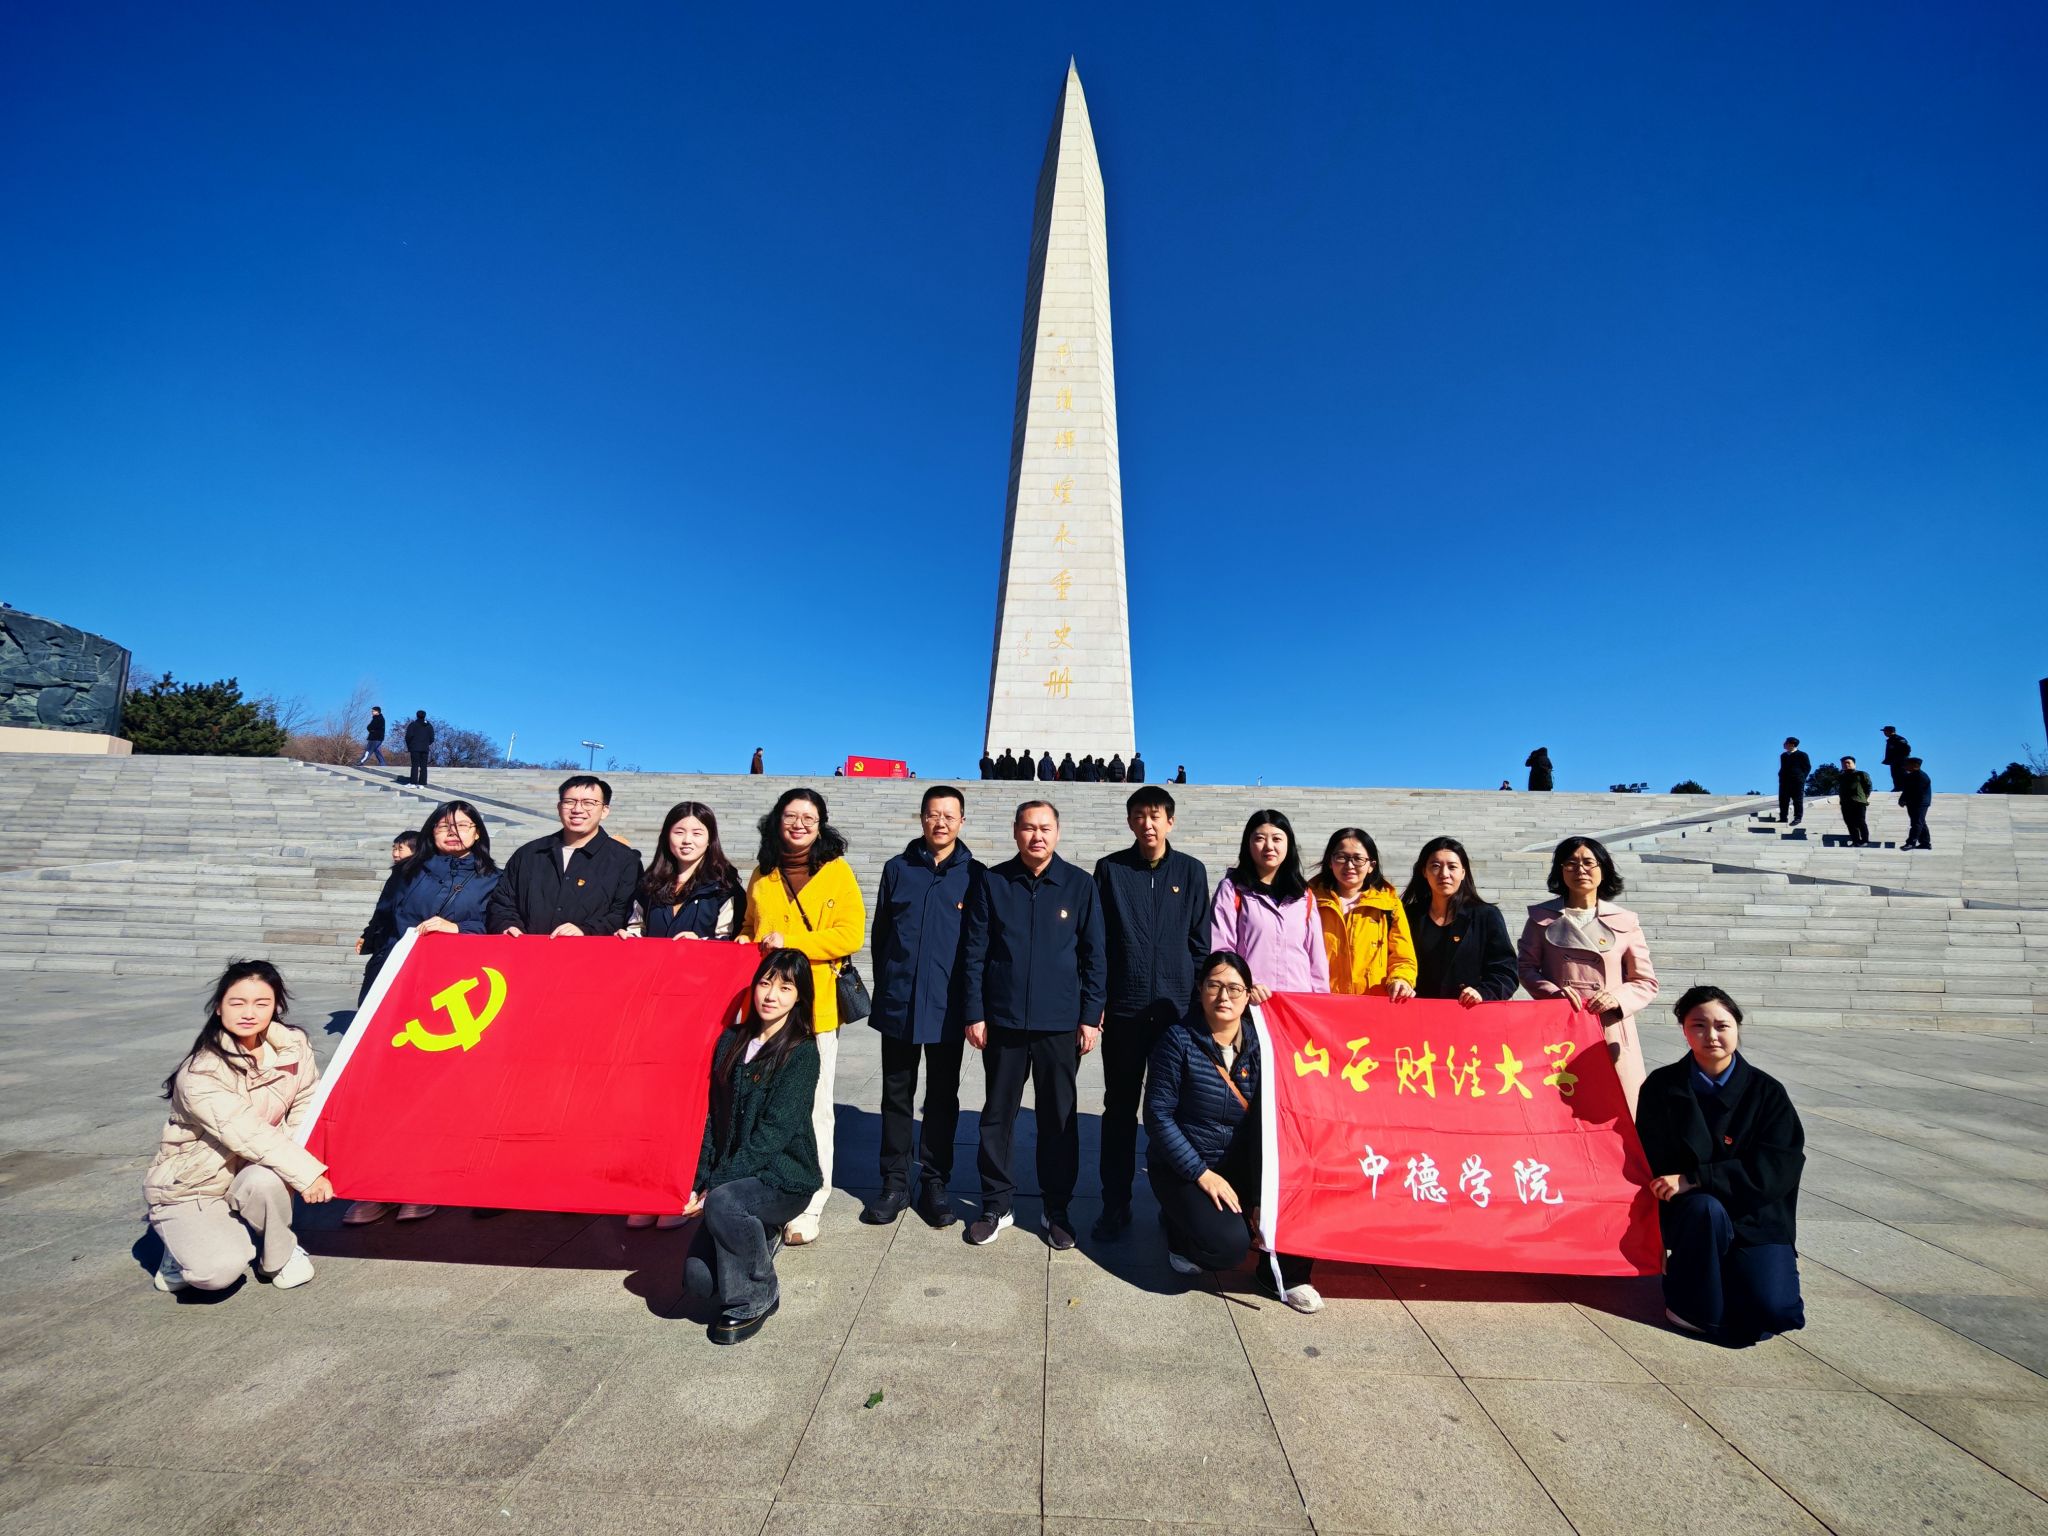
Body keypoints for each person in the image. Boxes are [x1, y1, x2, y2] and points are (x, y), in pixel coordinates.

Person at [344, 800, 502, 1226]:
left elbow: (499, 929)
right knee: (382, 1086)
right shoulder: (407, 872)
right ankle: (374, 1185)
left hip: (452, 992)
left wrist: (460, 929)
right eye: (444, 825)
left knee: (433, 1089)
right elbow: (383, 918)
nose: (453, 831)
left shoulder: (493, 878)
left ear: (478, 832)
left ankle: (420, 1183)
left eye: (463, 825)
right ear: (431, 830)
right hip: (395, 982)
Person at [961, 799, 1105, 1249]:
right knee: (997, 1116)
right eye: (1028, 827)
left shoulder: (1079, 884)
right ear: (1015, 831)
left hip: (1060, 1023)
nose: (1036, 836)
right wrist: (974, 1012)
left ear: (1057, 832)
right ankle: (996, 1203)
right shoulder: (993, 881)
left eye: (1045, 828)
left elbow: (1095, 956)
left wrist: (1090, 1017)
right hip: (1003, 1021)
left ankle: (1056, 1207)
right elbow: (974, 952)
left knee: (1057, 1118)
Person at [1145, 950, 1321, 1312]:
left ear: (1248, 994)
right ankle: (1180, 1233)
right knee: (1227, 1247)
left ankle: (1284, 1276)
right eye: (1214, 986)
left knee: (1303, 1190)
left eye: (1235, 988)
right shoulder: (1177, 1041)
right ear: (1200, 990)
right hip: (1187, 1167)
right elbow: (1158, 1116)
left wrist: (1259, 1191)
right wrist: (1201, 1174)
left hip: (1241, 1163)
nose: (1224, 996)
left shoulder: (1264, 1043)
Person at [146, 960, 332, 1294]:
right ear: (219, 1007)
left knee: (267, 1179)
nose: (249, 1013)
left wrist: (294, 1159)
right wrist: (306, 1173)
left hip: (251, 1168)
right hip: (195, 1183)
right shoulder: (201, 1072)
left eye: (261, 1003)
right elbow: (247, 1132)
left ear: (276, 1007)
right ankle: (179, 1245)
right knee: (215, 1274)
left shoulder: (292, 1046)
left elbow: (306, 1100)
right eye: (237, 1003)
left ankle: (280, 1253)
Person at [1635, 985, 1805, 1345]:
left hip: (1754, 1213)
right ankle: (1688, 1304)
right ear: (1684, 1030)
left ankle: (1740, 1271)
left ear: (1737, 1027)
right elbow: (1650, 1157)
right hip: (1694, 1214)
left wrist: (1698, 1177)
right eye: (1698, 1026)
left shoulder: (1767, 1092)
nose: (1711, 1036)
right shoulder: (1662, 1087)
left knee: (1773, 1311)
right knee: (1705, 1210)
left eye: (1722, 1026)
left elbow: (1778, 1166)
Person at [742, 787, 865, 1245]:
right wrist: (745, 942)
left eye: (808, 819)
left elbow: (850, 934)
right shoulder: (763, 873)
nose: (799, 825)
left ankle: (812, 1201)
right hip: (767, 1008)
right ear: (777, 820)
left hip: (815, 1009)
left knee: (815, 1107)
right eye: (791, 816)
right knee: (762, 1105)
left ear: (820, 825)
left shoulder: (836, 871)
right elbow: (749, 927)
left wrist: (792, 943)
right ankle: (765, 1192)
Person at [682, 949, 822, 1345]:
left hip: (783, 1178)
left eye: (785, 987)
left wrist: (715, 1188)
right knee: (698, 1281)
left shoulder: (801, 1052)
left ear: (799, 997)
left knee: (725, 1204)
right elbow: (712, 1119)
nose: (771, 995)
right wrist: (699, 1180)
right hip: (734, 1179)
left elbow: (772, 1136)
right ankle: (756, 1231)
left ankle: (759, 1295)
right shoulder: (731, 1040)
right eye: (765, 983)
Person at [1091, 786, 1211, 1240]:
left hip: (1176, 1015)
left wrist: (1198, 1005)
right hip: (1125, 1011)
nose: (1148, 823)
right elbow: (1099, 943)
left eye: (1156, 815)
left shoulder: (1191, 871)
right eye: (1139, 815)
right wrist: (1098, 1002)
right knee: (1119, 1110)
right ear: (1130, 822)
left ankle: (1174, 1207)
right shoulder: (1111, 870)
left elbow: (1200, 943)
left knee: (1175, 1113)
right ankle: (1115, 1204)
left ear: (1170, 821)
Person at [862, 785, 981, 1229]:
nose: (941, 822)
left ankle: (935, 1182)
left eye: (949, 815)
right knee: (895, 1095)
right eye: (933, 814)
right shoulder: (898, 868)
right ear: (922, 818)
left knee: (942, 1098)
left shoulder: (976, 875)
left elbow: (978, 945)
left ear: (962, 821)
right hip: (900, 1002)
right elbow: (881, 936)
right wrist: (889, 984)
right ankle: (894, 1182)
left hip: (948, 1006)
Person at [1517, 836, 1657, 1112]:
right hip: (1560, 1026)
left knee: (1615, 1112)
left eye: (1588, 862)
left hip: (1610, 1028)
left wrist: (1616, 998)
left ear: (1603, 869)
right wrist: (1553, 993)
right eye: (1570, 863)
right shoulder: (1540, 918)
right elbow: (1526, 968)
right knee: (1561, 1110)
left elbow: (1645, 981)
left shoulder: (1625, 921)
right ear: (1560, 871)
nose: (1580, 869)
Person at [486, 775, 643, 938]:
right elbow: (502, 902)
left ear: (604, 811)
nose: (577, 809)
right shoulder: (528, 854)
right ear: (559, 807)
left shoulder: (625, 861)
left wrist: (586, 931)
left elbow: (623, 913)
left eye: (588, 803)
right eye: (569, 802)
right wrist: (507, 925)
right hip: (528, 950)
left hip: (592, 952)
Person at [1210, 810, 1329, 1003]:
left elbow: (1317, 959)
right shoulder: (1233, 889)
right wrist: (1246, 985)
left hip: (1298, 1003)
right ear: (1248, 844)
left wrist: (1321, 1002)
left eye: (1277, 839)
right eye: (1259, 838)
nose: (1269, 846)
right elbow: (1222, 949)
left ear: (1288, 844)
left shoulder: (1304, 895)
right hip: (1252, 1002)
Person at [1401, 836, 1518, 1004]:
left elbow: (1506, 971)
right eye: (1435, 866)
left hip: (1469, 1011)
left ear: (1463, 872)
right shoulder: (1408, 915)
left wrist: (1484, 992)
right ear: (1424, 871)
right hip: (1418, 1010)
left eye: (1452, 867)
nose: (1444, 874)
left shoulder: (1486, 916)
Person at [1310, 828, 1417, 999]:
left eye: (1358, 859)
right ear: (1330, 861)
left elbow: (1403, 957)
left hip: (1371, 1003)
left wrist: (1401, 979)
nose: (1349, 865)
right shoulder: (1309, 901)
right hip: (1322, 1002)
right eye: (1341, 857)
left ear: (1371, 866)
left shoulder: (1389, 905)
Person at [623, 801, 746, 943]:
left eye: (697, 833)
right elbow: (636, 929)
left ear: (710, 839)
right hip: (655, 958)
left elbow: (732, 940)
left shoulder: (725, 886)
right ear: (667, 836)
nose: (687, 840)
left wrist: (700, 943)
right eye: (679, 832)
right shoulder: (649, 884)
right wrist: (627, 938)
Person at [353, 829, 421, 999]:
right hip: (387, 939)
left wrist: (370, 934)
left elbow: (386, 909)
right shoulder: (400, 872)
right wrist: (367, 935)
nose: (395, 853)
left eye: (400, 849)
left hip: (394, 940)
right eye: (394, 848)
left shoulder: (409, 875)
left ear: (415, 850)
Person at [1837, 756, 1873, 846]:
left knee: (1860, 821)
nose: (1846, 765)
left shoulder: (1861, 774)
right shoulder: (1841, 777)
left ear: (1854, 764)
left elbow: (1868, 786)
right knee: (1849, 823)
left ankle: (1865, 840)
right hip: (1845, 802)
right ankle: (1855, 841)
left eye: (1848, 762)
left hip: (1858, 802)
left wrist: (1864, 797)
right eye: (1844, 763)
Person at [1899, 758, 1934, 850]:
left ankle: (1911, 842)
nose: (1905, 766)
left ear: (1914, 766)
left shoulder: (1922, 777)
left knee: (1917, 823)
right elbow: (1906, 790)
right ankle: (1925, 843)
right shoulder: (1910, 776)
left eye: (1907, 764)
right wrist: (1902, 799)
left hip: (1920, 803)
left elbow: (1917, 791)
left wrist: (1907, 799)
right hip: (1912, 803)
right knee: (1920, 822)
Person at [1777, 738, 1812, 825]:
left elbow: (1807, 767)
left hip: (1797, 781)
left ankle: (1798, 817)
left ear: (1792, 744)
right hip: (1784, 781)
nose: (1784, 744)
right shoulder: (1783, 755)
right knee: (1783, 800)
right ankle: (1783, 818)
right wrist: (1780, 775)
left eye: (1786, 743)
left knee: (1797, 800)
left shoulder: (1802, 755)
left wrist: (1802, 778)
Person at [404, 710, 435, 786]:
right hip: (425, 748)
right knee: (424, 766)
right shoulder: (429, 726)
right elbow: (432, 738)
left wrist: (410, 745)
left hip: (415, 748)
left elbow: (408, 737)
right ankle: (422, 783)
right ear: (425, 716)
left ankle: (413, 783)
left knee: (415, 765)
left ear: (417, 715)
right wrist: (426, 744)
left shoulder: (413, 725)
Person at [1881, 726, 1911, 791]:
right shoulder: (1891, 739)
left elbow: (1907, 749)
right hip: (1894, 762)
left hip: (1901, 762)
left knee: (1902, 774)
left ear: (1889, 731)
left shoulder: (1898, 739)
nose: (1884, 733)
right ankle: (1898, 788)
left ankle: (1905, 788)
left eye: (1885, 731)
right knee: (1895, 775)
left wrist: (1902, 759)